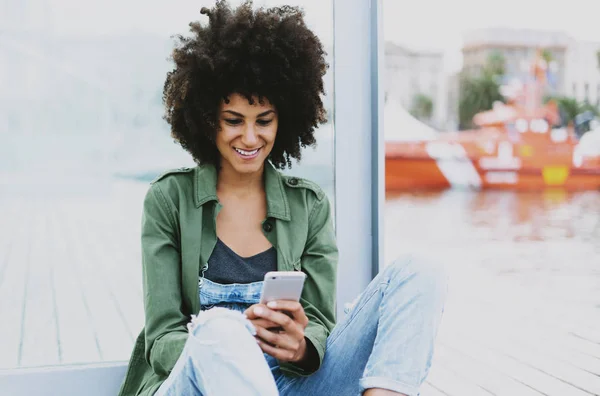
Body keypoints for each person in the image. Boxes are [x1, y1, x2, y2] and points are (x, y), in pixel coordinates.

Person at [118, 1, 447, 395]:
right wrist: (230, 345)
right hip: (197, 382)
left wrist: (302, 349)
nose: (251, 138)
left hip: (286, 384)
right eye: (234, 120)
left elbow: (320, 322)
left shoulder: (309, 206)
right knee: (220, 326)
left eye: (265, 120)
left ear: (285, 118)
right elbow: (162, 339)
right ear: (207, 119)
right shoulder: (169, 199)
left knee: (420, 271)